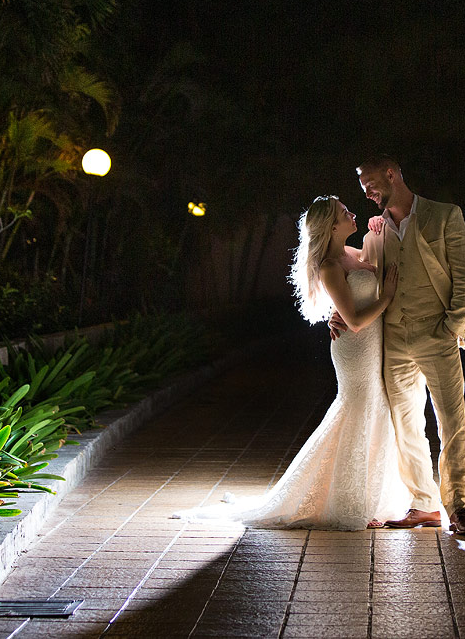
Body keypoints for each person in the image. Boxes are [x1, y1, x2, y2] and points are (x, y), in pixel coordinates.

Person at [174, 196, 409, 530]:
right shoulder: (330, 266)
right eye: (345, 213)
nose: (352, 213)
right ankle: (349, 503)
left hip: (375, 349)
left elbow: (377, 265)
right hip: (355, 350)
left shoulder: (353, 253)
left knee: (375, 413)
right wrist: (384, 297)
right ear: (331, 225)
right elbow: (354, 320)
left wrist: (377, 230)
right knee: (356, 414)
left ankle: (370, 497)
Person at [331, 155, 465, 535]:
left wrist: (451, 328)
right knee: (406, 425)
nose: (366, 194)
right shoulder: (376, 231)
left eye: (370, 184)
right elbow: (352, 269)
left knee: (451, 422)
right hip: (394, 338)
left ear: (392, 174)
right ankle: (424, 504)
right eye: (363, 188)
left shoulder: (445, 216)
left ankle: (458, 505)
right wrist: (340, 310)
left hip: (437, 333)